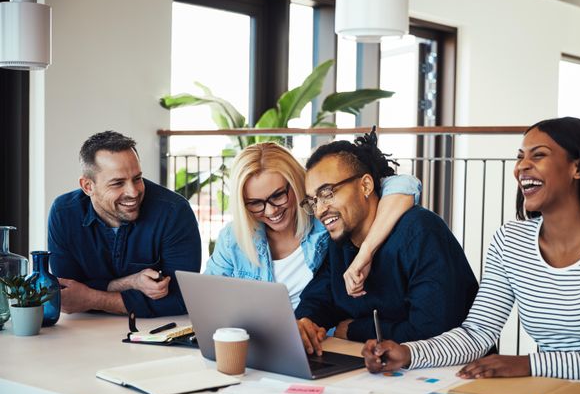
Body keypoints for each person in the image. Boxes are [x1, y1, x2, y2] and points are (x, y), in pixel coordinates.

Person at [362, 117, 580, 390]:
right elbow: (478, 333)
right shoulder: (510, 241)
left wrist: (529, 364)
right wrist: (409, 353)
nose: (522, 166)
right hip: (560, 391)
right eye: (520, 157)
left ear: (577, 167)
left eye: (539, 155)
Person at [295, 131, 479, 356]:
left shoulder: (420, 232)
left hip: (451, 371)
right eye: (313, 201)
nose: (320, 209)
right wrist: (306, 322)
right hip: (380, 368)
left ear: (365, 186)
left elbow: (433, 331)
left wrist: (354, 329)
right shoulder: (340, 240)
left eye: (327, 193)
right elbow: (319, 299)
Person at [204, 138, 421, 310]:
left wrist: (365, 253)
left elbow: (403, 184)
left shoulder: (327, 222)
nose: (270, 211)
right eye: (255, 203)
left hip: (319, 341)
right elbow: (207, 297)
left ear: (296, 182)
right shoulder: (234, 238)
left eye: (278, 195)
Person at [48, 131, 201, 318]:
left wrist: (94, 298)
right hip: (83, 329)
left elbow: (181, 298)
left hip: (154, 333)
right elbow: (68, 293)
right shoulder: (64, 213)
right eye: (118, 183)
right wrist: (132, 282)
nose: (134, 192)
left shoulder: (174, 212)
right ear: (88, 186)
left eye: (137, 178)